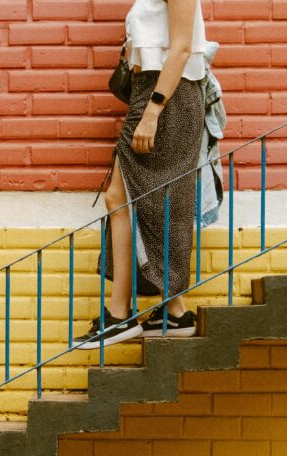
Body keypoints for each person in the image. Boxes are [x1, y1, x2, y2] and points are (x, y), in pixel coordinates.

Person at [75, 0, 207, 349]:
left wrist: (153, 111)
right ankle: (175, 312)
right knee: (138, 199)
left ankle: (120, 315)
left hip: (166, 97)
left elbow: (181, 48)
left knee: (134, 198)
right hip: (149, 93)